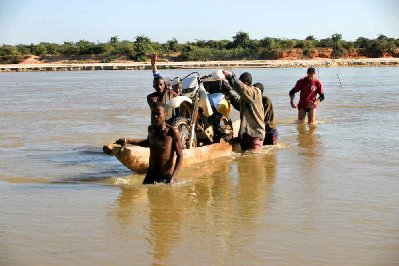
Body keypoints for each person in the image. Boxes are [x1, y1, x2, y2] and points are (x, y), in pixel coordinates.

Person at [116, 102, 183, 184]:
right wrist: (128, 141)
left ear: (165, 114)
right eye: (153, 114)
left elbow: (180, 155)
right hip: (151, 174)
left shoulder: (172, 132)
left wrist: (173, 177)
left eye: (158, 114)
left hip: (166, 175)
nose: (155, 116)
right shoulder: (151, 129)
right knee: (150, 195)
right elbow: (148, 143)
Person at [222, 71, 265, 151]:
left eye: (242, 83)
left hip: (256, 134)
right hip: (245, 134)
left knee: (255, 158)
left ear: (246, 83)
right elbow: (239, 106)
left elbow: (240, 87)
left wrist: (231, 77)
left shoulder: (255, 93)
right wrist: (230, 96)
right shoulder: (246, 97)